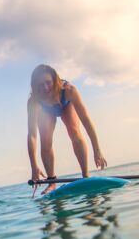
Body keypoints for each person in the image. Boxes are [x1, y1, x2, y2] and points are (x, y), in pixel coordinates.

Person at [27, 64, 107, 193]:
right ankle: (51, 182)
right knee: (45, 141)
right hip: (47, 112)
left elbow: (86, 121)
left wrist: (97, 150)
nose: (46, 88)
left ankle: (86, 175)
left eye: (48, 82)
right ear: (35, 86)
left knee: (74, 131)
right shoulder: (34, 101)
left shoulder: (69, 90)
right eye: (40, 85)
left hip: (66, 104)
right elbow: (32, 135)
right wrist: (34, 166)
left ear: (54, 79)